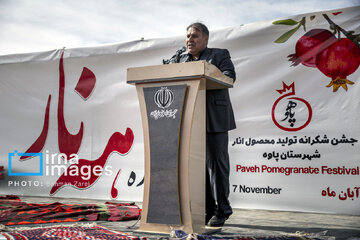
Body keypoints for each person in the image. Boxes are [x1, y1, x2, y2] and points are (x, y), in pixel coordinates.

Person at [169, 22, 236, 227]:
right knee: (197, 167)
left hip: (215, 117)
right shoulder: (181, 59)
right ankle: (208, 210)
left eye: (195, 35)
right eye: (188, 36)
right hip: (191, 118)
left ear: (205, 39)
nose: (190, 39)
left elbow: (230, 78)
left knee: (217, 166)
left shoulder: (219, 54)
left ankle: (223, 209)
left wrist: (207, 70)